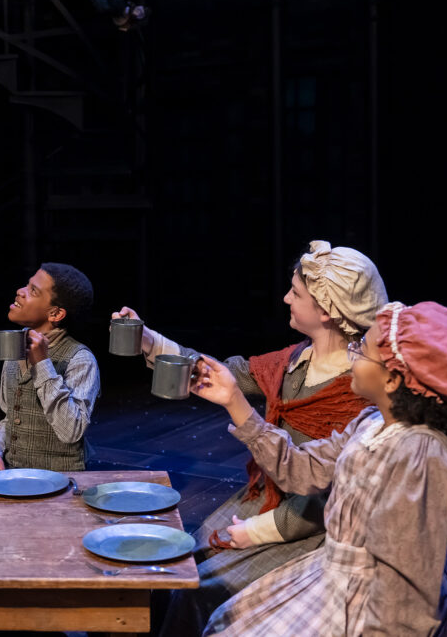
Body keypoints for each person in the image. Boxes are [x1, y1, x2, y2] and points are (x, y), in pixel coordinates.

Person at [114, 240, 388, 636]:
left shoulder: (358, 388)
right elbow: (223, 372)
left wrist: (255, 532)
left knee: (198, 591)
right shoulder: (295, 361)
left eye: (295, 293)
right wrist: (148, 340)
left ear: (326, 311)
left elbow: (329, 496)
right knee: (172, 566)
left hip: (309, 524)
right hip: (267, 497)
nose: (285, 298)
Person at [196, 301, 447, 635]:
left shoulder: (419, 454)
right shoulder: (372, 421)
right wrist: (234, 400)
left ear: (391, 380)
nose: (351, 356)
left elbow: (407, 585)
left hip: (380, 601)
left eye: (362, 350)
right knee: (226, 622)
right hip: (338, 571)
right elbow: (304, 468)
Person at [0, 263, 100, 472]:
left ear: (55, 314)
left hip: (60, 482)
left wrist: (42, 364)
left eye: (33, 291)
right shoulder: (14, 350)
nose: (20, 292)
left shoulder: (80, 359)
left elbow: (71, 431)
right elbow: (10, 417)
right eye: (26, 286)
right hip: (15, 475)